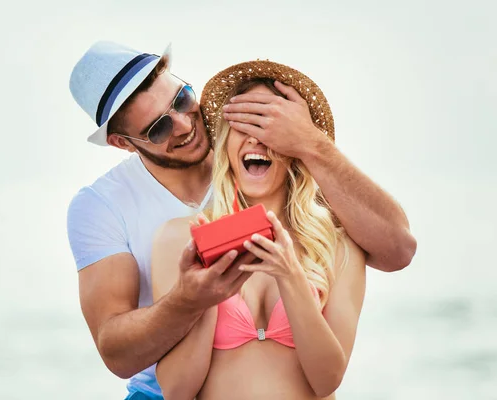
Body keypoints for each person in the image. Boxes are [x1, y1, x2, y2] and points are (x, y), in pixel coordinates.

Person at [66, 41, 416, 399]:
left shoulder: (275, 164)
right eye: (158, 128)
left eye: (183, 99)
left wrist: (311, 143)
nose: (186, 124)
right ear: (123, 143)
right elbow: (117, 352)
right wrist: (190, 300)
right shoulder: (106, 207)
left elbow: (398, 249)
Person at [152, 62, 366, 399]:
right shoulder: (179, 239)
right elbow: (176, 389)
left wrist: (292, 277)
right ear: (224, 142)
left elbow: (327, 380)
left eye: (267, 125)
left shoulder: (337, 246)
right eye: (243, 125)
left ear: (295, 146)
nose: (255, 137)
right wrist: (200, 299)